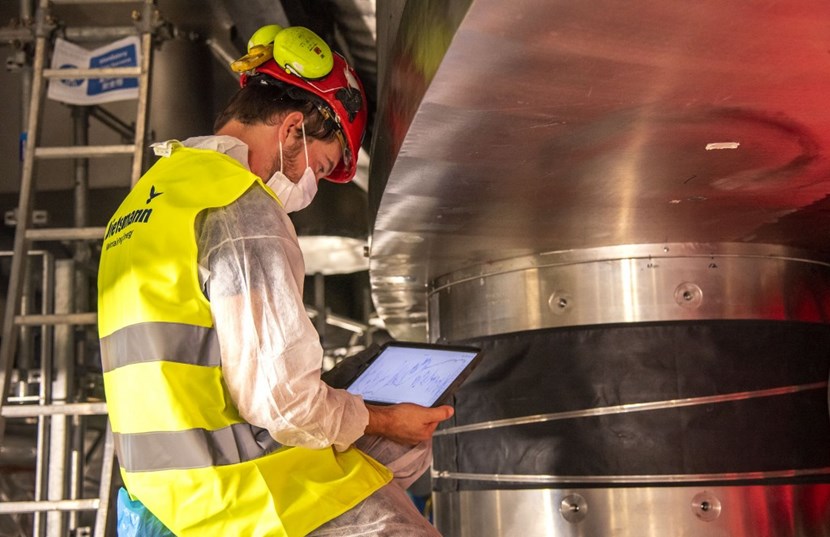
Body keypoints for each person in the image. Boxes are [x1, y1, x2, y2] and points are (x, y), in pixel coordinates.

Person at [98, 25, 453, 537]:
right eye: (320, 166)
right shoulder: (241, 208)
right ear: (291, 131)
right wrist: (384, 420)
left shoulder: (146, 202)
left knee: (399, 448)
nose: (310, 187)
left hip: (168, 498)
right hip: (248, 496)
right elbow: (284, 404)